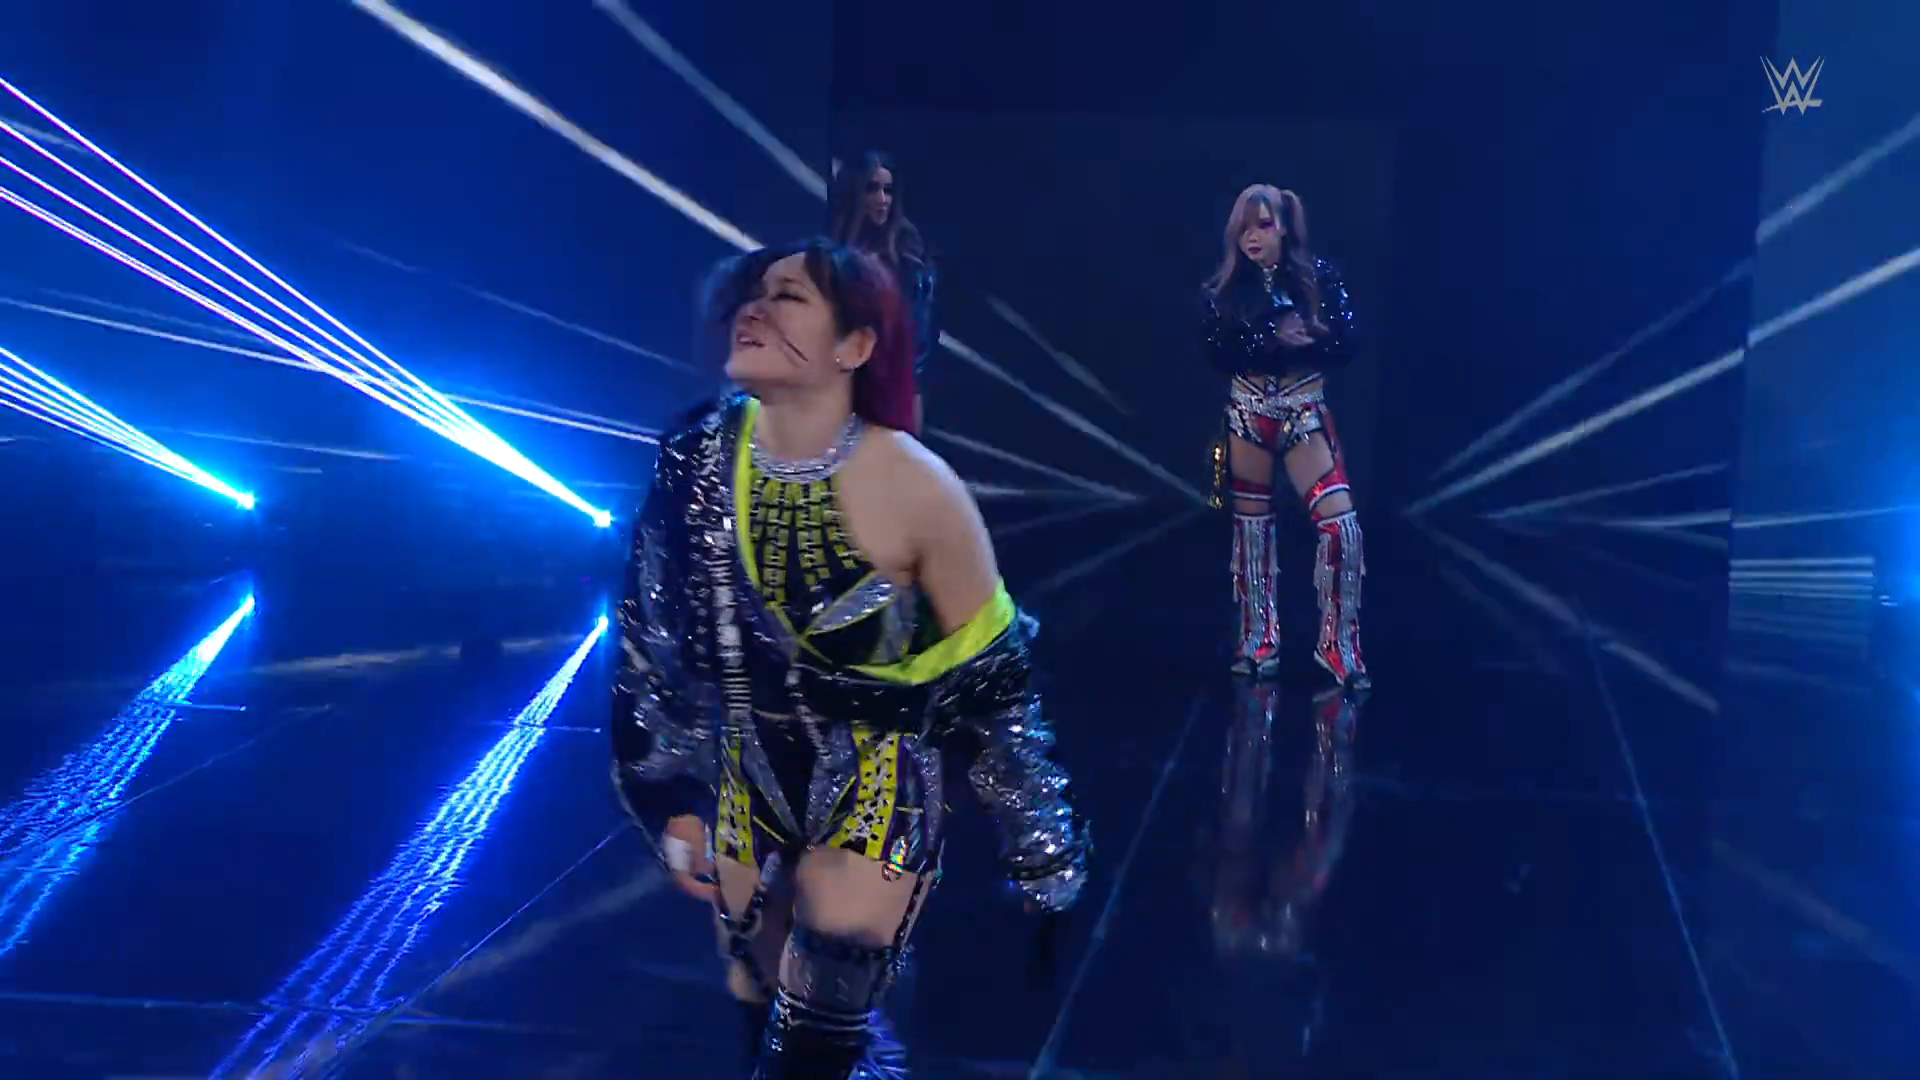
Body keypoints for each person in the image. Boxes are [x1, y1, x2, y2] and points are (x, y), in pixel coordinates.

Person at [610, 238, 1088, 1077]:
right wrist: (669, 796)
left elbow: (996, 684)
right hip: (746, 777)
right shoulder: (694, 462)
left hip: (875, 778)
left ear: (855, 346)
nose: (755, 308)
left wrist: (1044, 858)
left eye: (789, 297)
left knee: (822, 1014)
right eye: (754, 293)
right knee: (765, 1003)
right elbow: (651, 638)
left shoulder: (920, 487)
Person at [1201, 184, 1367, 687]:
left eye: (1264, 225)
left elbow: (1347, 341)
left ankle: (1339, 647)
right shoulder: (1226, 289)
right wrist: (1271, 335)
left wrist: (1313, 333)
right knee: (1252, 530)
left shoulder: (1319, 278)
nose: (1252, 237)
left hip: (1301, 412)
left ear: (1286, 228)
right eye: (1244, 228)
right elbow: (1218, 349)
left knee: (1341, 527)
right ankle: (1258, 640)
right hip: (1248, 414)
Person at [828, 152, 939, 427]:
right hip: (841, 387)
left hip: (896, 387)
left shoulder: (908, 258)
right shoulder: (831, 257)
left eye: (888, 190)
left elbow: (920, 337)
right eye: (872, 189)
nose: (882, 199)